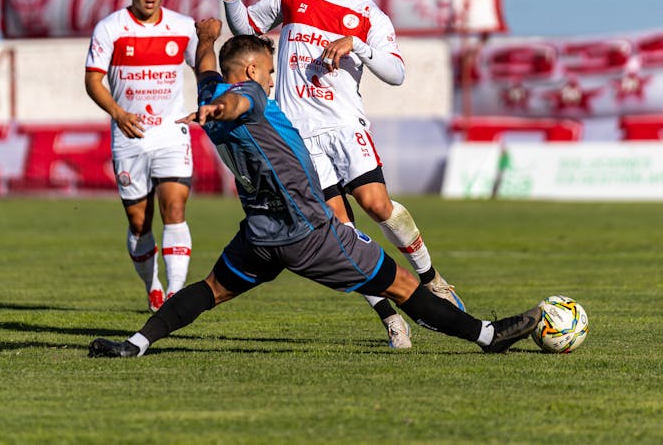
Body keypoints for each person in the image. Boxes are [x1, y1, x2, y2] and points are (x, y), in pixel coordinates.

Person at [88, 25, 540, 358]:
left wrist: (206, 40)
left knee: (209, 291)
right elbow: (240, 101)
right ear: (249, 70)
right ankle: (488, 336)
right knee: (402, 285)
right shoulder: (248, 95)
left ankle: (136, 343)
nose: (271, 79)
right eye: (267, 70)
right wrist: (221, 107)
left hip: (258, 237)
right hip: (310, 234)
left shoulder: (214, 89)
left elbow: (208, 73)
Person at [217, 0, 461, 349]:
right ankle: (389, 317)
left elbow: (398, 73)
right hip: (300, 137)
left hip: (346, 128)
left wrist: (358, 45)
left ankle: (431, 279)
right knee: (340, 229)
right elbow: (247, 31)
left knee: (377, 205)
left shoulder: (372, 18)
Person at [85, 0, 207, 313]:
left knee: (175, 208)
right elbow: (93, 80)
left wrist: (209, 99)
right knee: (140, 221)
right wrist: (118, 113)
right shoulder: (111, 28)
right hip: (130, 136)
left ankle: (176, 293)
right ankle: (152, 285)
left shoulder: (183, 27)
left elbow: (205, 69)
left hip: (171, 134)